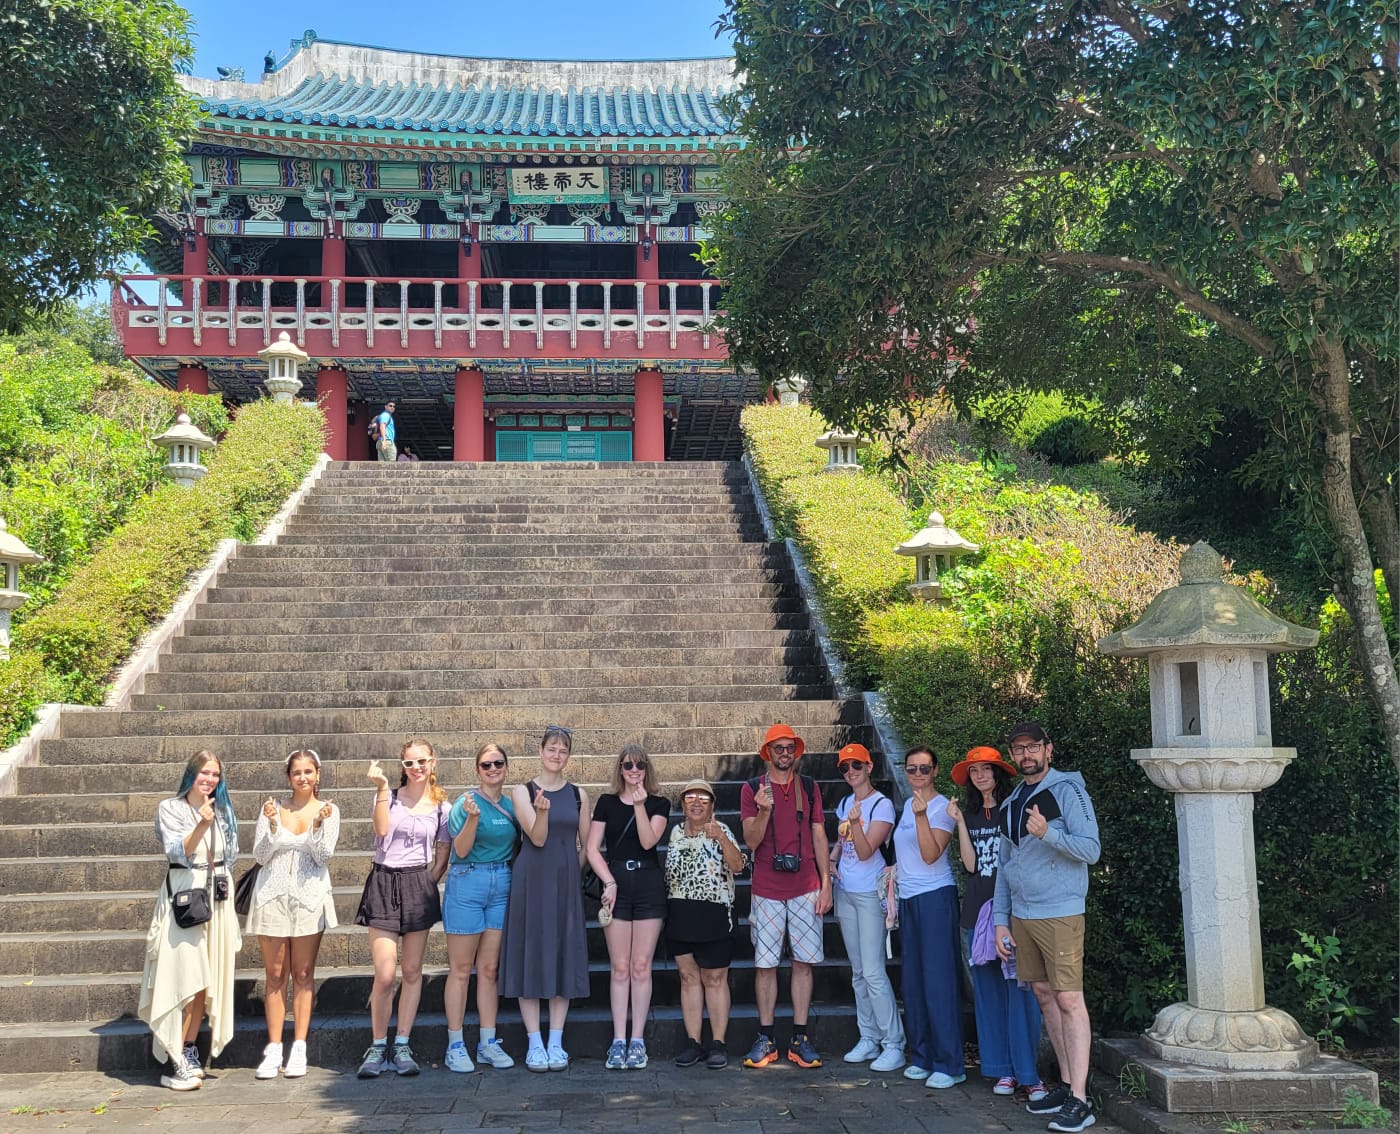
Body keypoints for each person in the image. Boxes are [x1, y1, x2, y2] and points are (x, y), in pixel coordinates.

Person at [993, 723, 1101, 1134]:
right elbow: (1005, 867)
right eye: (1018, 749)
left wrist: (1049, 834)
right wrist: (1001, 920)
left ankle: (1080, 1099)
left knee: (1070, 999)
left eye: (1032, 747)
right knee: (1043, 996)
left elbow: (1091, 849)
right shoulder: (1012, 802)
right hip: (1022, 915)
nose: (1026, 755)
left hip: (1060, 911)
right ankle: (1066, 1084)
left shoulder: (1069, 791)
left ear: (1048, 749)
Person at [947, 746, 1045, 1101]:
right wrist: (959, 822)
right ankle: (1001, 1071)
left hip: (1015, 913)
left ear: (999, 772)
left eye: (986, 769)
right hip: (978, 913)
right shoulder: (970, 814)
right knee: (988, 995)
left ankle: (1029, 1074)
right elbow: (971, 866)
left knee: (1023, 994)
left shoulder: (1014, 808)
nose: (980, 775)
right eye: (974, 771)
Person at [138, 750, 241, 1091]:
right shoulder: (171, 808)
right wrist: (201, 823)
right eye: (204, 773)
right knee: (181, 976)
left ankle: (189, 1048)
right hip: (185, 898)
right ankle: (173, 1059)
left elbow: (232, 855)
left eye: (215, 774)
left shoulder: (224, 809)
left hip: (216, 899)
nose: (210, 780)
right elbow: (177, 852)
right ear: (191, 774)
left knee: (203, 980)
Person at [354, 739, 451, 1078]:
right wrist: (381, 787)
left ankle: (402, 1043)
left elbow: (442, 855)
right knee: (384, 974)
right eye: (410, 763)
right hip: (384, 881)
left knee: (411, 971)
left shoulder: (443, 807)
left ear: (433, 762)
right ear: (403, 766)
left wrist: (426, 883)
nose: (417, 768)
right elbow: (381, 831)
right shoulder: (389, 796)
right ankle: (378, 1044)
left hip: (417, 883)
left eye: (422, 761)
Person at [739, 723, 832, 1069]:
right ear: (767, 752)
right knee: (765, 964)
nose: (784, 753)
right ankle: (766, 1037)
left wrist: (827, 883)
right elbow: (750, 841)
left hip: (806, 885)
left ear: (796, 751)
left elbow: (819, 834)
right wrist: (764, 810)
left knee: (803, 963)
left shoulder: (808, 786)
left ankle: (800, 1037)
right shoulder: (752, 790)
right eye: (777, 748)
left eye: (789, 747)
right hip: (766, 888)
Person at [500, 725, 590, 1072]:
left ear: (568, 756)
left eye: (563, 750)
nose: (556, 755)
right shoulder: (521, 791)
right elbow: (536, 839)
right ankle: (534, 1042)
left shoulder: (580, 794)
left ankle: (556, 1040)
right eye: (551, 748)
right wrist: (541, 813)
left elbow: (588, 846)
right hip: (531, 882)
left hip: (564, 883)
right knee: (531, 953)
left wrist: (570, 871)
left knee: (562, 954)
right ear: (540, 751)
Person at [247, 749, 339, 1080]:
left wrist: (317, 826)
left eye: (308, 772)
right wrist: (272, 824)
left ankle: (299, 1044)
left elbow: (323, 856)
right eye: (297, 772)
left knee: (302, 974)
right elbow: (259, 855)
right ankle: (273, 1047)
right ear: (289, 776)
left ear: (318, 775)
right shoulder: (273, 807)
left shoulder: (329, 810)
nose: (303, 777)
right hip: (271, 895)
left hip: (309, 898)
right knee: (274, 974)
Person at [586, 743, 671, 1070]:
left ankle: (637, 1040)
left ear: (647, 769)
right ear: (619, 769)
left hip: (648, 883)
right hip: (617, 882)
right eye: (627, 765)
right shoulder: (606, 803)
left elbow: (649, 841)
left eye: (639, 765)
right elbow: (593, 849)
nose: (633, 770)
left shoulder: (659, 802)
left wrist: (639, 805)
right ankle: (618, 1039)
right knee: (620, 967)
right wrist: (608, 881)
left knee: (641, 966)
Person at [442, 742, 518, 1073]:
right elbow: (460, 848)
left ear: (505, 767)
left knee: (489, 969)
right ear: (477, 770)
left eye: (498, 763)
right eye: (486, 765)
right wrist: (472, 818)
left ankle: (488, 1042)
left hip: (501, 882)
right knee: (461, 969)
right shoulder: (465, 803)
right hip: (467, 881)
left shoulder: (511, 805)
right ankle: (455, 1044)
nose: (492, 769)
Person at [830, 743, 905, 1072]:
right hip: (845, 890)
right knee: (858, 971)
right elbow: (842, 842)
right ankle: (869, 1036)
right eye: (845, 768)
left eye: (856, 765)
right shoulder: (846, 802)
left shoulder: (882, 805)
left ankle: (893, 1043)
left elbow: (864, 851)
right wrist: (832, 860)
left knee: (874, 971)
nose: (851, 772)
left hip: (869, 895)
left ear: (870, 766)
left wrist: (857, 824)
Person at [894, 744, 965, 1089]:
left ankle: (950, 1063)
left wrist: (922, 817)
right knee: (914, 983)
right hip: (908, 899)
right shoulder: (908, 805)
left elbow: (929, 854)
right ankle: (922, 1056)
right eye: (911, 769)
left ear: (935, 770)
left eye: (924, 769)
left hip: (935, 897)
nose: (917, 775)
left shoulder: (942, 807)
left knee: (939, 983)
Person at [665, 779, 747, 1069]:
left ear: (712, 805)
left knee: (714, 979)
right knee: (688, 978)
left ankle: (718, 1043)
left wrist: (720, 838)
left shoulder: (721, 830)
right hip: (680, 913)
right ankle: (693, 1042)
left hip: (714, 913)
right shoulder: (675, 832)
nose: (696, 803)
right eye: (690, 798)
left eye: (703, 798)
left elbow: (738, 866)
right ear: (683, 805)